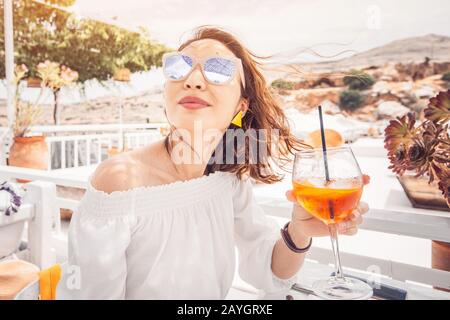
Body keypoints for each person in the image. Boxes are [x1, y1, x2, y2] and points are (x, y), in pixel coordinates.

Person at [68, 26, 369, 299]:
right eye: (178, 67)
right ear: (166, 91)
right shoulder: (120, 181)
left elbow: (270, 271)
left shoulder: (227, 181)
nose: (194, 81)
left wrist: (299, 232)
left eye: (219, 70)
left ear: (241, 106)